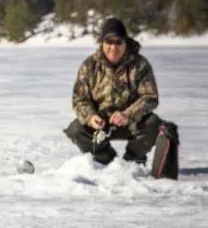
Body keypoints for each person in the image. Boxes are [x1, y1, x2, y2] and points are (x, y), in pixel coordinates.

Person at [64, 17, 164, 165]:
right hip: (100, 124)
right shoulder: (89, 65)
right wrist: (91, 117)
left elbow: (150, 97)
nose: (113, 47)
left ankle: (133, 161)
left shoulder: (140, 65)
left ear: (126, 42)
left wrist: (128, 114)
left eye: (118, 42)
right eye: (109, 42)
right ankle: (105, 160)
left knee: (154, 124)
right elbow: (79, 99)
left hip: (131, 122)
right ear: (102, 43)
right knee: (76, 129)